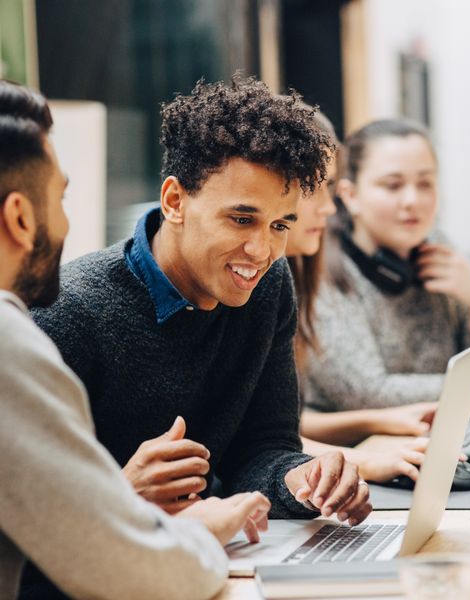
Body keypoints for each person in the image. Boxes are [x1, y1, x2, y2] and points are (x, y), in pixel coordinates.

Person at [31, 78, 371, 522]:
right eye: (242, 219)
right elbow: (23, 513)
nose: (262, 251)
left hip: (213, 553)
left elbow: (264, 448)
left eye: (279, 226)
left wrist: (306, 480)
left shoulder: (268, 286)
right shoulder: (67, 312)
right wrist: (122, 494)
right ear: (175, 201)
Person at [0, 80, 274, 600]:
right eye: (59, 196)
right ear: (19, 216)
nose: (65, 219)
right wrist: (203, 528)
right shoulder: (11, 342)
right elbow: (143, 574)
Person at [302, 118, 470, 441]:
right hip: (356, 457)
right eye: (392, 185)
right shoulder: (322, 267)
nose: (412, 200)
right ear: (350, 195)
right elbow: (366, 391)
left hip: (442, 441)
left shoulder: (436, 246)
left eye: (425, 184)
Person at [285, 108, 434, 483]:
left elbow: (274, 423)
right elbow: (258, 436)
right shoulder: (285, 276)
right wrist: (361, 457)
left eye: (328, 186)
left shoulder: (290, 273)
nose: (328, 207)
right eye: (312, 187)